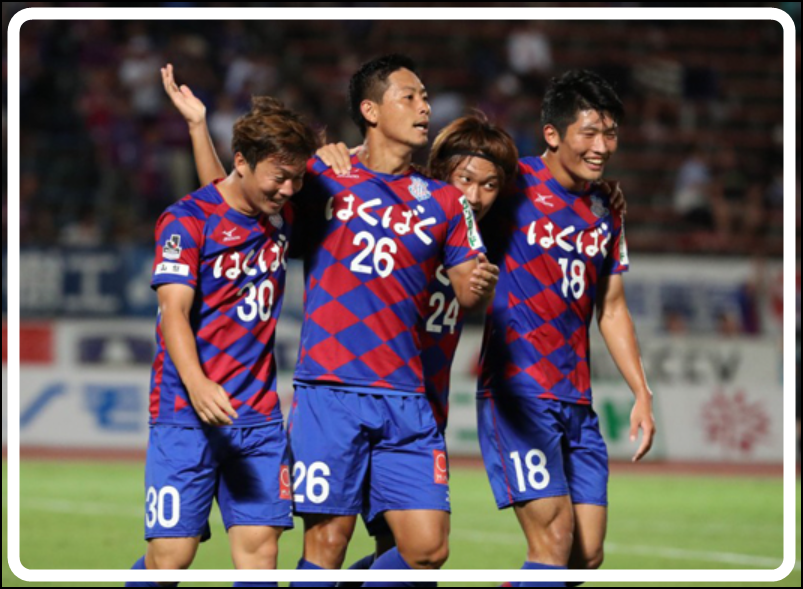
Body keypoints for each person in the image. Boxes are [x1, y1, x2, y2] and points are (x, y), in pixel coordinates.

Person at [163, 55, 497, 585]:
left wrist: (477, 284)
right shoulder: (324, 176)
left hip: (407, 396)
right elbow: (236, 203)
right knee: (326, 546)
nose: (425, 108)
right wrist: (199, 128)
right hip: (330, 391)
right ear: (370, 109)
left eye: (426, 97)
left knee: (428, 550)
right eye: (410, 97)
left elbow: (466, 288)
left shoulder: (445, 201)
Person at [125, 94, 321, 588]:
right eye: (280, 176)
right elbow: (173, 311)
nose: (289, 189)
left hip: (257, 416)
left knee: (260, 556)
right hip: (184, 413)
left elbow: (229, 195)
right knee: (171, 558)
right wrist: (197, 384)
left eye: (298, 178)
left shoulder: (278, 215)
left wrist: (198, 128)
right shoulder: (184, 221)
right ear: (243, 162)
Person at [478, 70, 655, 587]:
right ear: (552, 134)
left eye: (610, 133)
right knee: (552, 545)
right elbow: (447, 184)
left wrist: (641, 392)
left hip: (575, 397)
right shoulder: (511, 183)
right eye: (589, 133)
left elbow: (612, 309)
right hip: (519, 392)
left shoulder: (606, 209)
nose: (602, 147)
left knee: (586, 555)